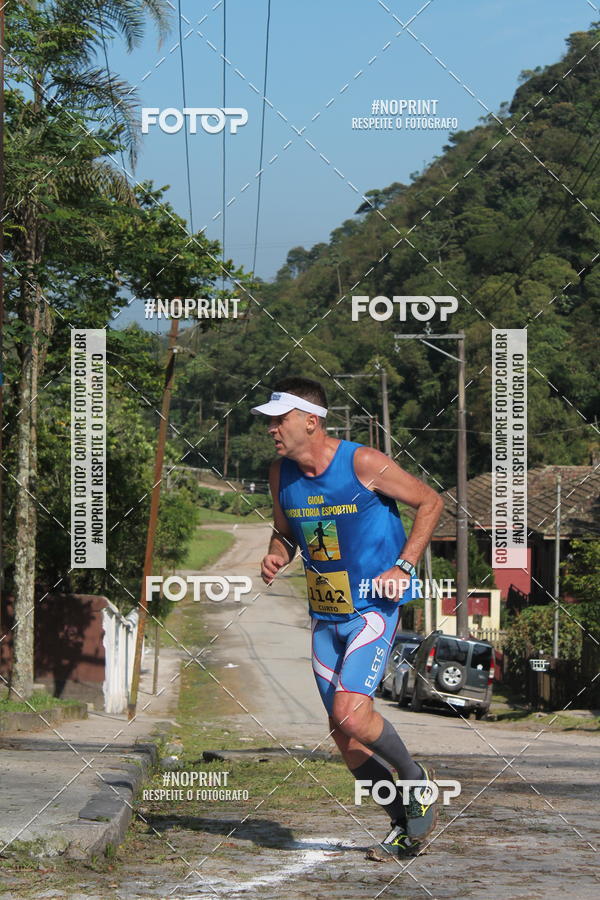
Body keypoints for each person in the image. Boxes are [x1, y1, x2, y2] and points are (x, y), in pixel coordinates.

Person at [254, 376, 444, 857]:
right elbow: (286, 532)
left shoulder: (362, 462)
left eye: (280, 420)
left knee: (351, 714)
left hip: (372, 609)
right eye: (270, 422)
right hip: (325, 614)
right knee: (347, 740)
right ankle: (404, 822)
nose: (272, 429)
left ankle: (416, 780)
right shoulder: (282, 475)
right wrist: (277, 553)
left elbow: (430, 501)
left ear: (311, 422)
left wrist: (403, 567)